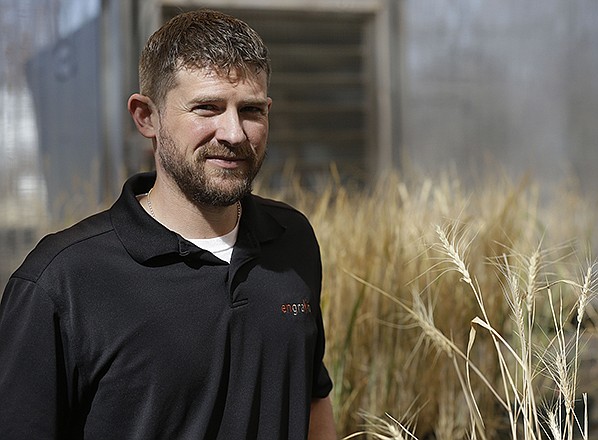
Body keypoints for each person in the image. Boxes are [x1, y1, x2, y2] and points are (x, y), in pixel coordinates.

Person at [0, 9, 336, 440]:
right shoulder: (62, 281)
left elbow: (312, 399)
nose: (233, 133)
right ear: (147, 117)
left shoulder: (292, 242)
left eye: (251, 110)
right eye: (207, 108)